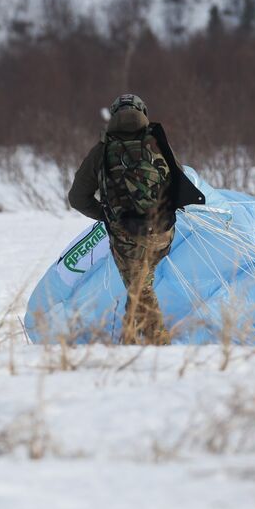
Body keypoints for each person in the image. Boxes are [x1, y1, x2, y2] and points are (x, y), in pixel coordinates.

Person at [67, 94, 204, 344]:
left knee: (140, 290)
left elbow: (77, 197)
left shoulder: (102, 150)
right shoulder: (158, 143)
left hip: (126, 238)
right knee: (139, 284)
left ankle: (160, 346)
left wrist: (107, 216)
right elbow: (180, 181)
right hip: (162, 234)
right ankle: (128, 342)